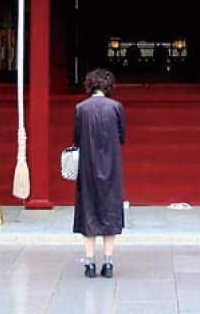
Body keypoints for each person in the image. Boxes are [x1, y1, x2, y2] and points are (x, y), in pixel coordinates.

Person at [73, 68, 125, 278]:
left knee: (89, 210)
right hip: (111, 164)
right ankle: (109, 262)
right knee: (110, 210)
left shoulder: (81, 108)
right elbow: (122, 136)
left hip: (88, 166)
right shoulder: (116, 107)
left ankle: (90, 263)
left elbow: (76, 138)